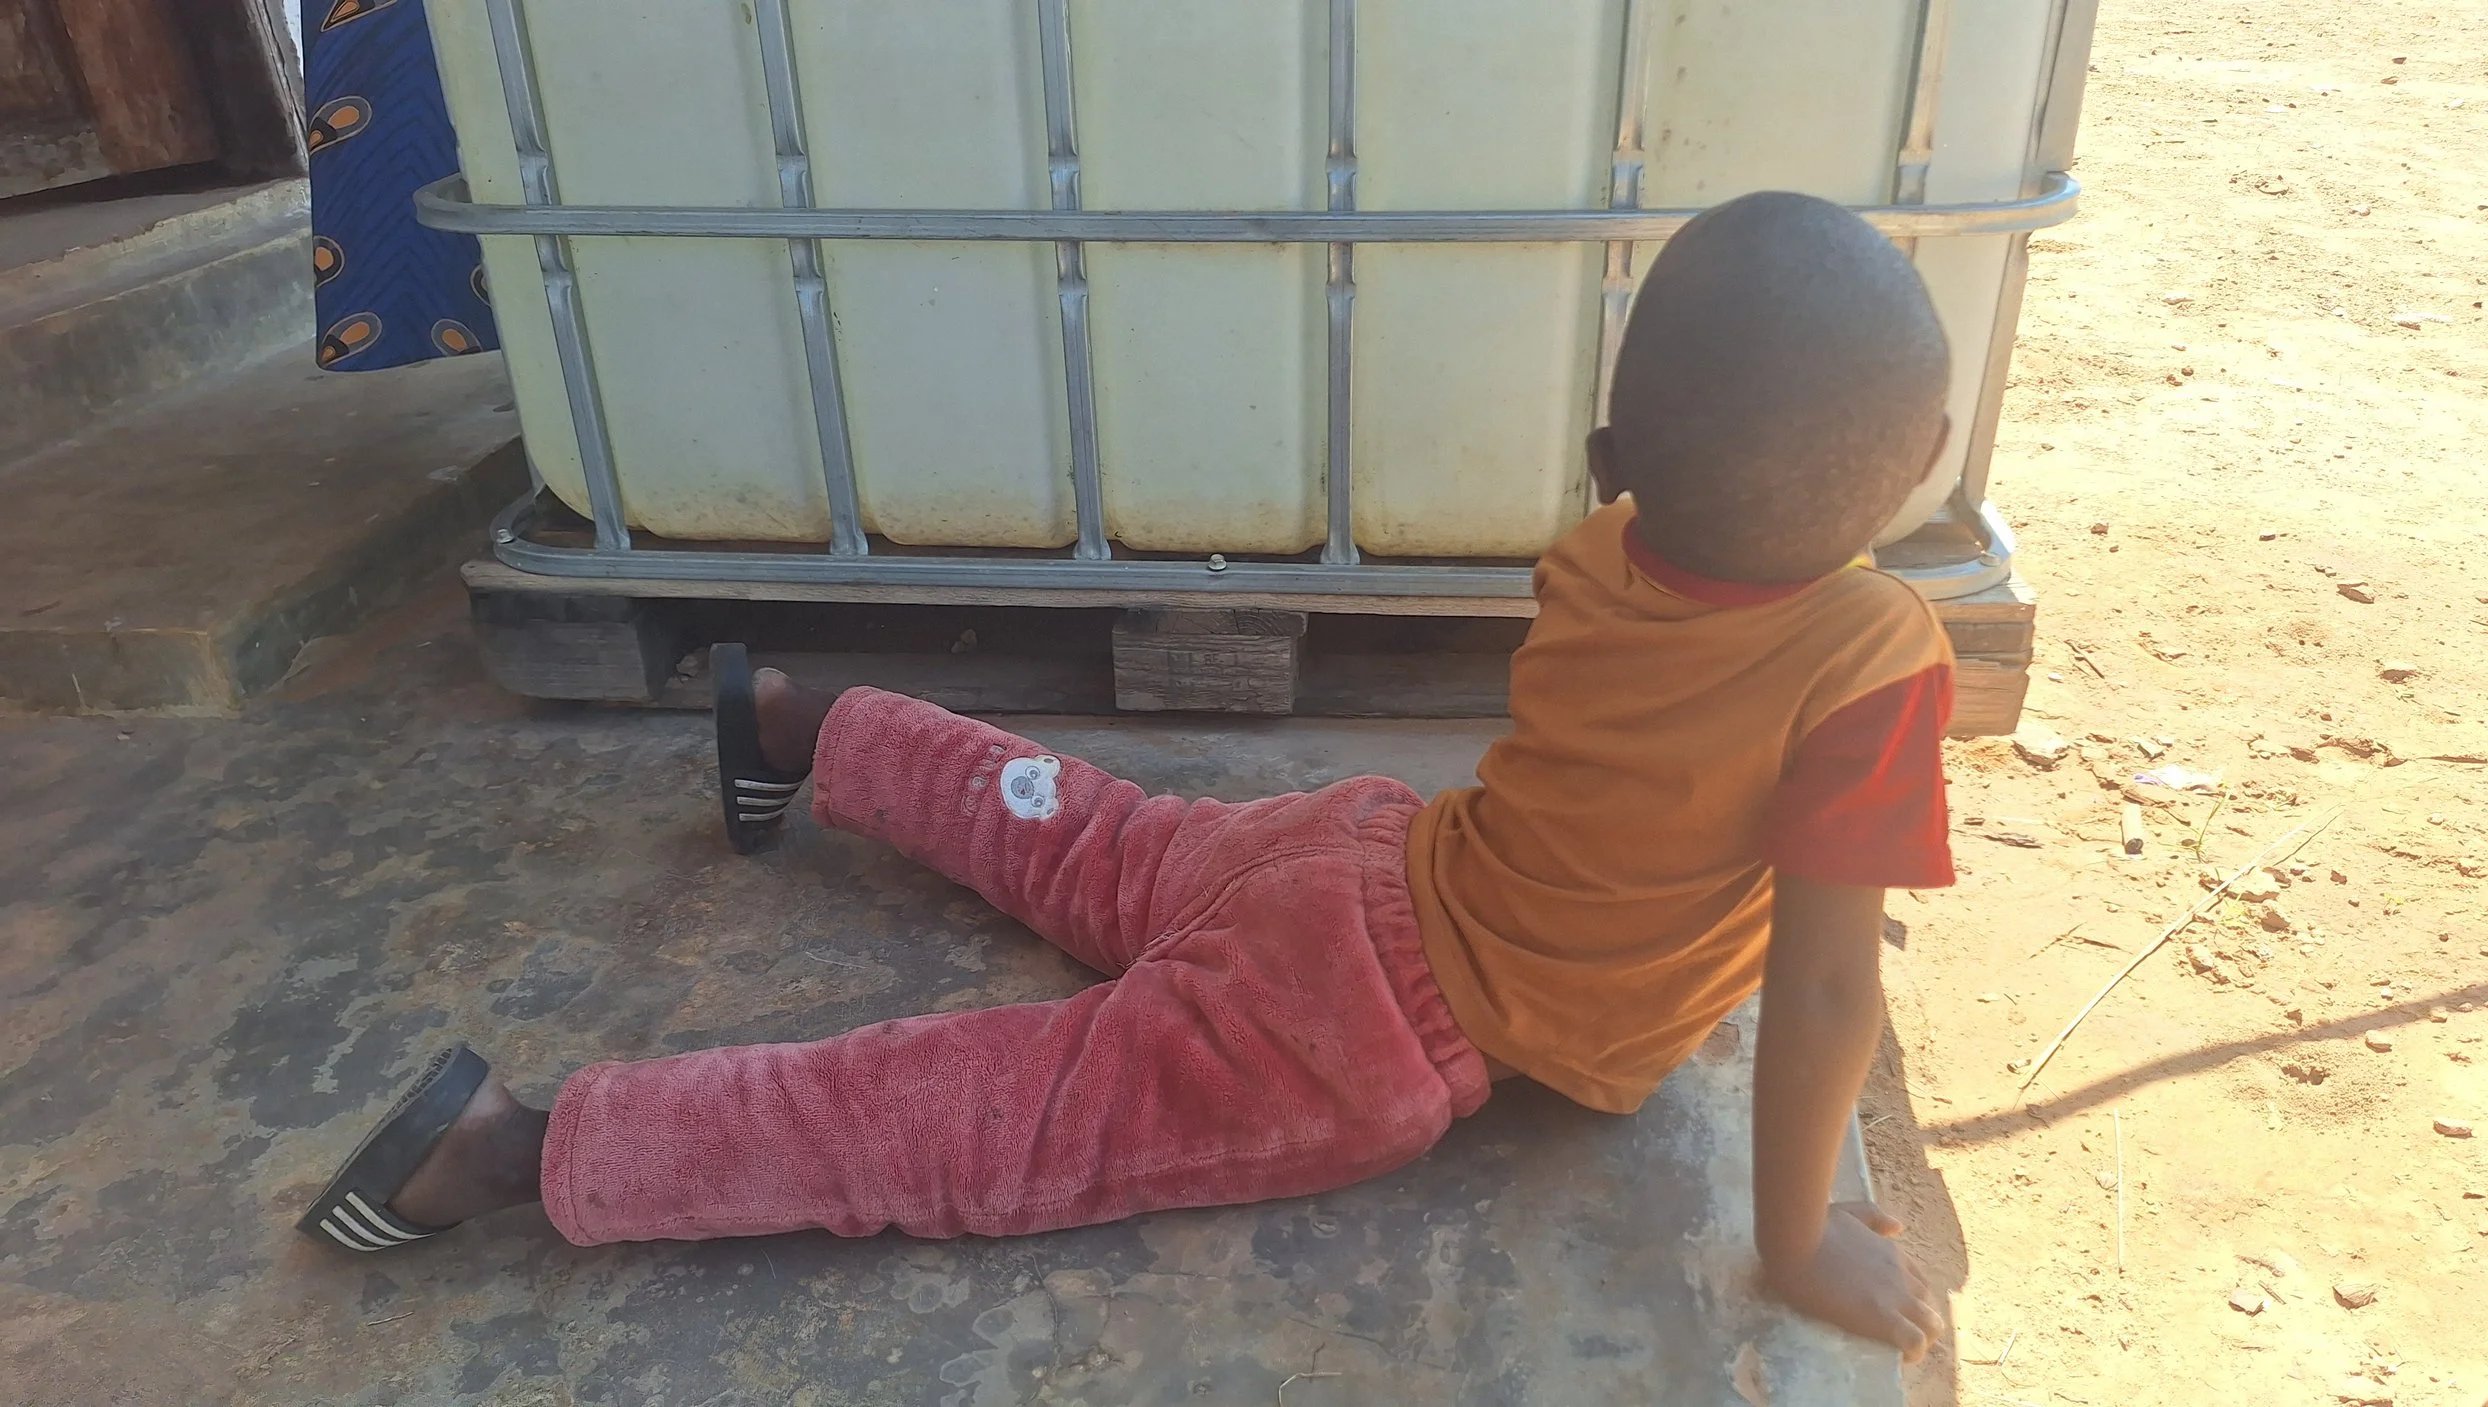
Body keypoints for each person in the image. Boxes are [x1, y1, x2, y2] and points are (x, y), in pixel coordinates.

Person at [298, 190, 1955, 1360]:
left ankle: (801, 721)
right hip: (1370, 1025)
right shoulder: (1871, 657)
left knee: (1083, 832)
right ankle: (521, 1146)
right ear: (1922, 462)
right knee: (989, 1115)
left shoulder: (1600, 547)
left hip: (1359, 857)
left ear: (1616, 457)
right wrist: (1800, 1232)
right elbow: (1822, 986)